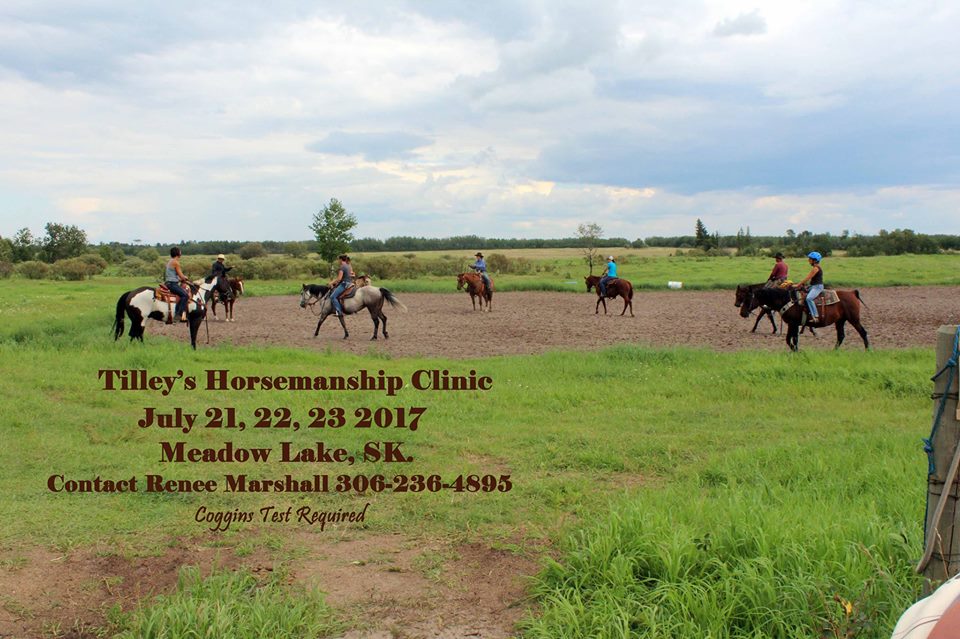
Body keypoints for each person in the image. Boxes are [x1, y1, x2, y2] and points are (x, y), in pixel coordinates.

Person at [795, 251, 824, 323]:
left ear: (814, 260)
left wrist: (798, 284)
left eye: (810, 259)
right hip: (813, 286)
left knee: (809, 298)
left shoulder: (816, 268)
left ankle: (816, 316)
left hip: (817, 287)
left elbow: (807, 278)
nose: (808, 260)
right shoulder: (815, 267)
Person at [164, 247, 190, 323]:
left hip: (169, 282)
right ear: (177, 253)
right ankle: (178, 314)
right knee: (185, 295)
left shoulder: (170, 261)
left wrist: (180, 278)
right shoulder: (176, 262)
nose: (181, 252)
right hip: (172, 284)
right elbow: (181, 276)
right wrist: (185, 277)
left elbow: (174, 276)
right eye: (180, 251)